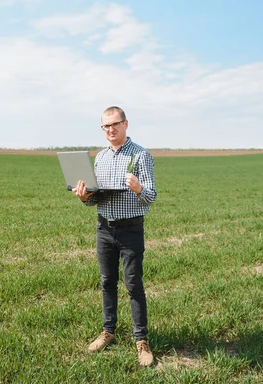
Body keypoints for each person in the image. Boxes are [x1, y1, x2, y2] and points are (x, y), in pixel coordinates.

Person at [72, 106, 157, 367]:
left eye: (115, 124)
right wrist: (85, 196)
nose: (110, 129)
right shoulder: (100, 158)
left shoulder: (141, 155)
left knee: (133, 285)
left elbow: (151, 196)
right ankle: (108, 332)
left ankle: (141, 340)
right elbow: (94, 199)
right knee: (107, 281)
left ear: (125, 124)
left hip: (130, 229)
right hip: (104, 229)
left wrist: (139, 187)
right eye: (106, 126)